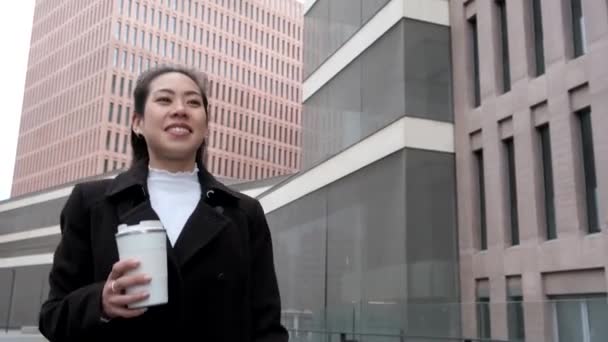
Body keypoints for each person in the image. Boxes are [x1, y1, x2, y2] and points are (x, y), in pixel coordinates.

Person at [38, 65, 288, 342]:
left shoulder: (244, 213)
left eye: (193, 102)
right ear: (138, 123)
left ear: (205, 125)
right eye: (164, 99)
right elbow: (53, 316)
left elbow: (267, 327)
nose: (180, 109)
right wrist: (100, 302)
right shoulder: (92, 203)